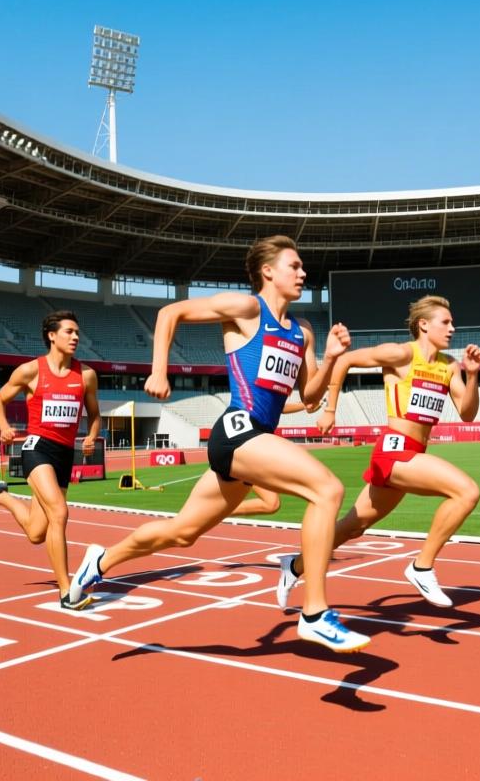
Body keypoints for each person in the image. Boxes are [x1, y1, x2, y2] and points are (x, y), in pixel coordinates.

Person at [68, 235, 370, 652]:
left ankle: (96, 563)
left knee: (182, 532)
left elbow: (311, 395)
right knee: (328, 489)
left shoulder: (302, 333)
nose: (303, 273)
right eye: (294, 266)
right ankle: (315, 613)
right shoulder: (247, 309)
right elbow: (170, 311)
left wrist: (334, 357)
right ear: (268, 272)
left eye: (302, 268)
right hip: (237, 431)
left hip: (257, 439)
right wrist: (159, 371)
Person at [277, 295, 480, 610]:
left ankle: (294, 567)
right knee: (466, 492)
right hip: (394, 451)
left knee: (352, 527)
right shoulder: (400, 354)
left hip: (415, 452)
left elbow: (467, 414)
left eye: (453, 323)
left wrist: (473, 376)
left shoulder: (450, 366)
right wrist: (331, 409)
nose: (453, 328)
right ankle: (421, 566)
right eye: (446, 322)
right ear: (424, 325)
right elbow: (345, 360)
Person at [0, 310, 102, 610]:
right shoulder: (30, 371)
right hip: (37, 449)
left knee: (36, 533)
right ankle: (67, 591)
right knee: (59, 513)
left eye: (77, 333)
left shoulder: (86, 375)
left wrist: (92, 436)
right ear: (51, 335)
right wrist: (4, 427)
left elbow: (95, 415)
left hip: (64, 456)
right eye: (69, 332)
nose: (75, 337)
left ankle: (1, 496)